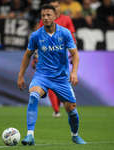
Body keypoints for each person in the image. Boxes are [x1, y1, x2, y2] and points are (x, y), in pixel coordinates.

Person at [17, 4, 86, 145]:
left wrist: (74, 72)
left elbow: (75, 54)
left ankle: (75, 135)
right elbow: (27, 55)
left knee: (71, 110)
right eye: (43, 15)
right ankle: (30, 135)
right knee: (33, 96)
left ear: (55, 16)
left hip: (61, 78)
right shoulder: (36, 35)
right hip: (42, 76)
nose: (46, 18)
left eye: (48, 15)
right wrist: (20, 75)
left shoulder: (65, 33)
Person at [36, 0, 76, 118]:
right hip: (48, 57)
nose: (55, 8)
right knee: (50, 83)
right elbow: (39, 38)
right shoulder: (44, 21)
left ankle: (58, 106)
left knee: (60, 82)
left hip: (62, 57)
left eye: (56, 6)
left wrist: (72, 54)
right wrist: (36, 57)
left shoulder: (67, 19)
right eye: (53, 6)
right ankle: (56, 109)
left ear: (59, 7)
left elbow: (72, 37)